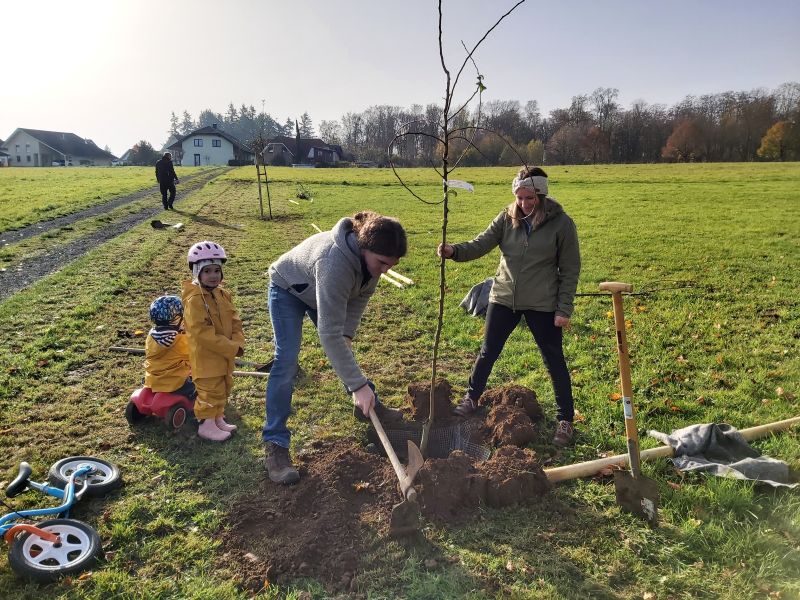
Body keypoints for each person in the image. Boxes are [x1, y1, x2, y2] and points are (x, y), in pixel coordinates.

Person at [438, 166, 581, 446]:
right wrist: (454, 251)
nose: (524, 204)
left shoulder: (561, 224)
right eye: (520, 197)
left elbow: (571, 268)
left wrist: (563, 308)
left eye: (530, 198)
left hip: (542, 303)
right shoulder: (507, 218)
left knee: (554, 360)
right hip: (503, 297)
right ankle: (472, 397)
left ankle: (565, 419)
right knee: (488, 351)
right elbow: (481, 243)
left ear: (541, 194)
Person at [263, 211, 407, 484]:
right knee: (286, 361)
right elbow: (328, 333)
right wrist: (357, 384)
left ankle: (368, 405)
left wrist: (347, 338)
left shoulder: (372, 265)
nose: (386, 270)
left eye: (392, 265)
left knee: (343, 350)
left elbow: (354, 307)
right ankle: (275, 445)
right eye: (383, 263)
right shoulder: (333, 262)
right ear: (365, 248)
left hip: (322, 293)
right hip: (289, 289)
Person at [182, 240, 245, 442]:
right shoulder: (195, 300)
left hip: (224, 355)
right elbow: (202, 333)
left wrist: (238, 342)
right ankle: (207, 425)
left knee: (222, 386)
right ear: (197, 272)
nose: (213, 276)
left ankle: (218, 419)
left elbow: (235, 320)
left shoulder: (222, 294)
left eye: (216, 270)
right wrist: (230, 347)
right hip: (206, 357)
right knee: (209, 391)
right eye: (207, 271)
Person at [144, 295, 196, 401]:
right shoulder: (178, 340)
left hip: (152, 379)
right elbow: (194, 354)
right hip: (173, 381)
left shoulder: (151, 336)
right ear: (177, 319)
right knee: (201, 383)